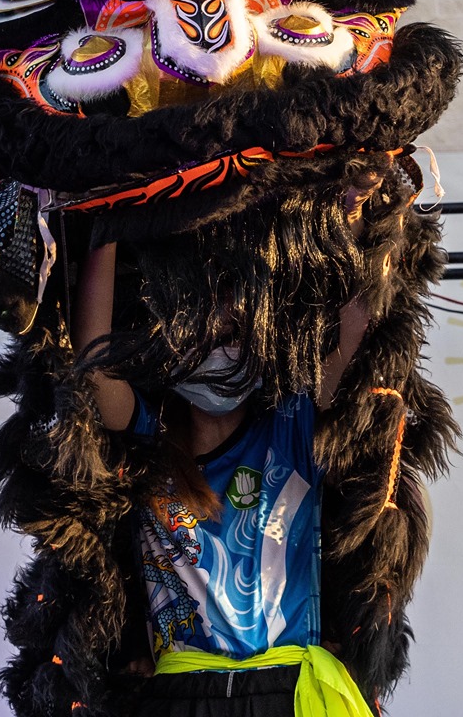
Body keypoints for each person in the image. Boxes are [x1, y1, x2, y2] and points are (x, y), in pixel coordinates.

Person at [75, 240, 374, 717]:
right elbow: (92, 367)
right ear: (172, 343)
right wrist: (106, 235)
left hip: (289, 689)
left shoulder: (291, 424)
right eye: (203, 334)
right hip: (181, 695)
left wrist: (355, 211)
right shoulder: (150, 439)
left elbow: (355, 323)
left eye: (234, 334)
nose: (219, 350)